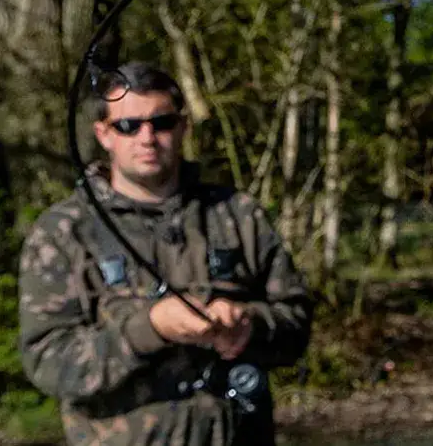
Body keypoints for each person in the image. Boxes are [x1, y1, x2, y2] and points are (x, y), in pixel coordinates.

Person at [18, 61, 313, 446]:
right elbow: (48, 362)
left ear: (182, 127)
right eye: (128, 125)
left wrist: (250, 325)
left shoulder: (237, 215)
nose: (147, 138)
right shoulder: (65, 232)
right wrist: (149, 329)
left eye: (162, 123)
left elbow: (297, 322)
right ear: (103, 134)